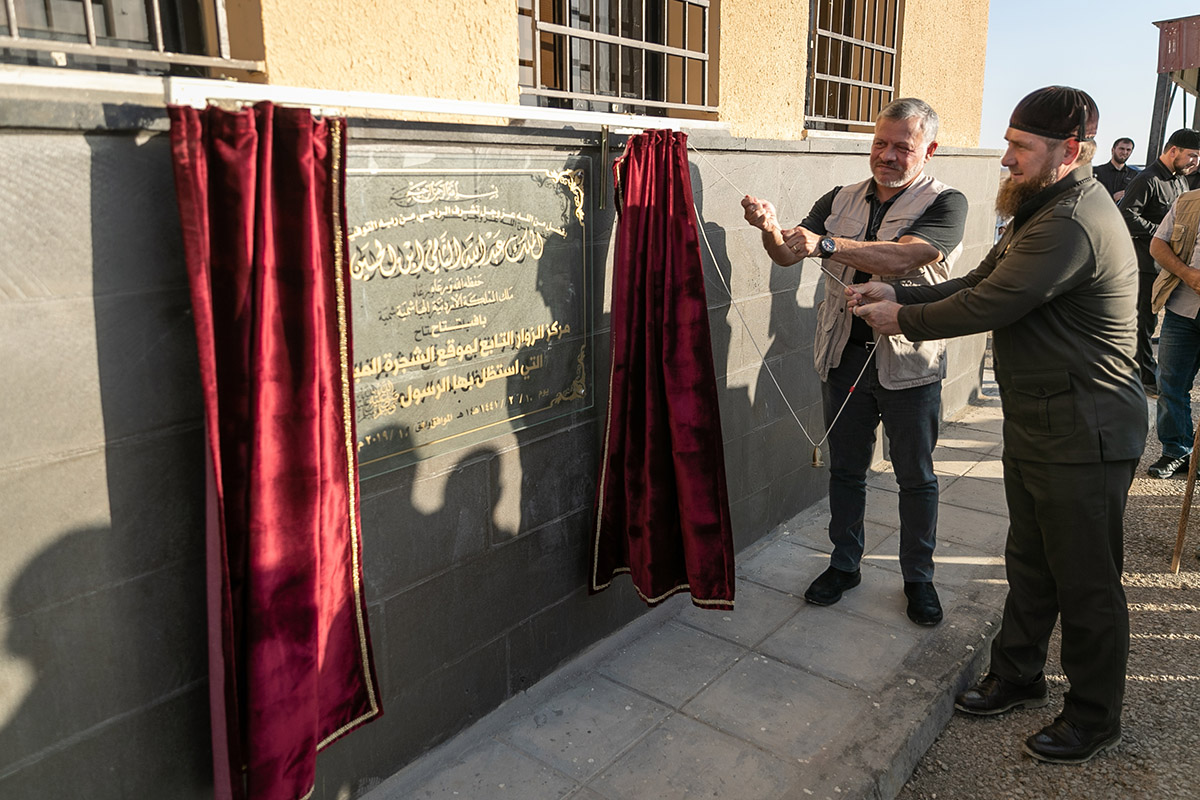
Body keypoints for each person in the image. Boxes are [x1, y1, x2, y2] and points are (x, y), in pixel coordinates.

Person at [849, 86, 1145, 764]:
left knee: (1086, 581)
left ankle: (1094, 716)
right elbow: (981, 277)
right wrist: (901, 290)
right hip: (1043, 420)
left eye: (1020, 148)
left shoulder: (1072, 221)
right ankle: (1018, 675)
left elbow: (994, 303)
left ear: (1069, 152)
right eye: (1008, 143)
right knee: (1031, 561)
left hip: (1086, 429)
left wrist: (903, 318)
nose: (1005, 159)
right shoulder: (1041, 208)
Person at [740, 98, 968, 627]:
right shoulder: (839, 196)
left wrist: (826, 243)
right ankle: (844, 564)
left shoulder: (947, 202)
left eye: (902, 147)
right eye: (879, 143)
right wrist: (770, 228)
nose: (886, 155)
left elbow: (907, 256)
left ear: (929, 150)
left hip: (909, 365)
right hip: (843, 357)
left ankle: (919, 578)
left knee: (916, 476)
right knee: (845, 469)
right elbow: (788, 254)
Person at [1118, 128, 1200, 396]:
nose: (1195, 162)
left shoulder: (1181, 181)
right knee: (1143, 323)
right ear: (1173, 150)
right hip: (1145, 265)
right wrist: (1163, 233)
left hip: (1168, 268)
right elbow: (1126, 214)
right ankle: (1144, 377)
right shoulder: (1147, 179)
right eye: (1192, 155)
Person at [1145, 189, 1200, 478]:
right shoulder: (1188, 201)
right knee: (1170, 385)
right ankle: (1176, 451)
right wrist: (1186, 273)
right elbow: (1158, 244)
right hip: (1182, 310)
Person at [1092, 137, 1138, 202]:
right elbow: (1090, 196)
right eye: (1121, 149)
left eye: (1128, 150)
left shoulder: (1134, 175)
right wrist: (1112, 198)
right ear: (1112, 150)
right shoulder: (1097, 172)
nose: (1124, 152)